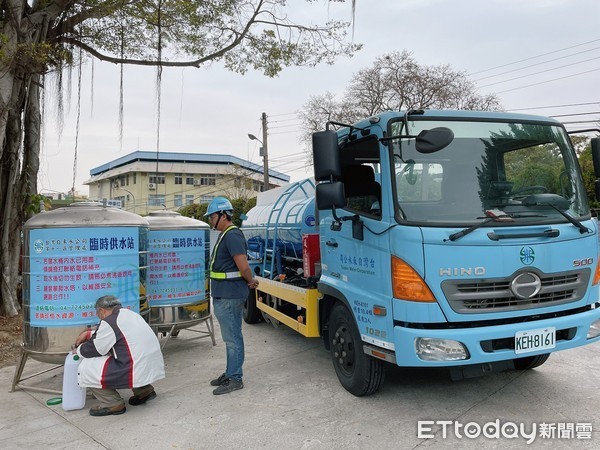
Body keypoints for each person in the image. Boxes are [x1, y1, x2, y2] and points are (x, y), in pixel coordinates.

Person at [73, 295, 165, 416]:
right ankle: (144, 390)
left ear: (101, 310)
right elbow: (117, 333)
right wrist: (90, 334)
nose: (98, 316)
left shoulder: (109, 321)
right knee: (131, 354)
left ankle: (112, 403)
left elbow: (97, 349)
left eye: (97, 313)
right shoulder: (130, 314)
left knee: (87, 367)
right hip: (149, 364)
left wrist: (78, 350)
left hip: (133, 368)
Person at [204, 197, 258, 395]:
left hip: (230, 295)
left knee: (233, 338)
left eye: (212, 216)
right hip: (224, 293)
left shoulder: (233, 235)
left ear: (223, 215)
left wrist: (250, 280)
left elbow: (243, 265)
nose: (210, 220)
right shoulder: (225, 234)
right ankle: (231, 372)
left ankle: (235, 378)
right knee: (231, 337)